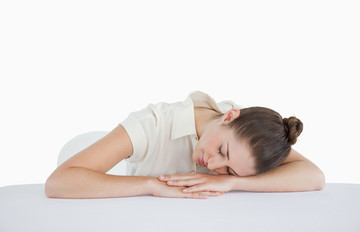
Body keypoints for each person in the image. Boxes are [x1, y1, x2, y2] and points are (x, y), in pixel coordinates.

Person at [45, 91, 325, 199]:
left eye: (230, 170)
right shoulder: (152, 124)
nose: (213, 166)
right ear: (228, 116)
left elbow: (313, 176)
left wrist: (231, 184)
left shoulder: (259, 140)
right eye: (222, 151)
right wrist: (151, 185)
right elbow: (59, 182)